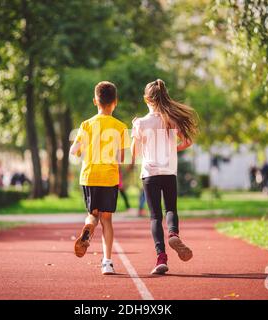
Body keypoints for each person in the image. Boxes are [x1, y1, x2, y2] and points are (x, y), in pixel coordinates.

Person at [131, 79, 197, 275]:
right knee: (170, 208)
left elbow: (134, 153)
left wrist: (135, 130)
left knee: (154, 216)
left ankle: (161, 257)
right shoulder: (172, 120)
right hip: (169, 172)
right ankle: (174, 233)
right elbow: (188, 141)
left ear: (146, 99)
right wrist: (172, 149)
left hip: (150, 173)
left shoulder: (141, 122)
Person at [70, 81, 129, 275]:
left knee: (93, 215)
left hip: (89, 176)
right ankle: (107, 262)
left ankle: (89, 225)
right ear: (116, 102)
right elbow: (122, 157)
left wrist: (82, 153)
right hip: (109, 177)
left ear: (95, 101)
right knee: (107, 220)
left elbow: (74, 151)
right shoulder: (120, 127)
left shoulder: (86, 124)